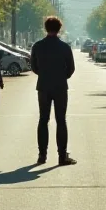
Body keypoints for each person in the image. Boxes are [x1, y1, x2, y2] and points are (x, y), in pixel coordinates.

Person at [30, 16, 77, 166]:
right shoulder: (64, 47)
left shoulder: (37, 46)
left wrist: (44, 74)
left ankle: (42, 155)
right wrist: (62, 76)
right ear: (59, 29)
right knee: (61, 120)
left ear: (45, 28)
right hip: (60, 86)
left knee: (43, 119)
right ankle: (62, 156)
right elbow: (71, 68)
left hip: (43, 86)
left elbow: (33, 67)